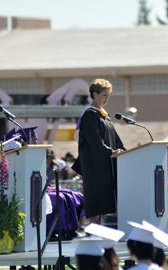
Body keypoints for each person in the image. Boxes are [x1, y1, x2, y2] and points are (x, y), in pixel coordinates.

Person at [73, 79, 124, 224]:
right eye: (104, 95)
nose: (107, 98)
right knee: (97, 204)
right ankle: (93, 237)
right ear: (94, 94)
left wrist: (123, 150)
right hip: (94, 166)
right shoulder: (90, 115)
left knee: (103, 206)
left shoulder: (104, 115)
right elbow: (94, 141)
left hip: (105, 165)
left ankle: (98, 236)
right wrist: (111, 152)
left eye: (108, 95)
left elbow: (115, 138)